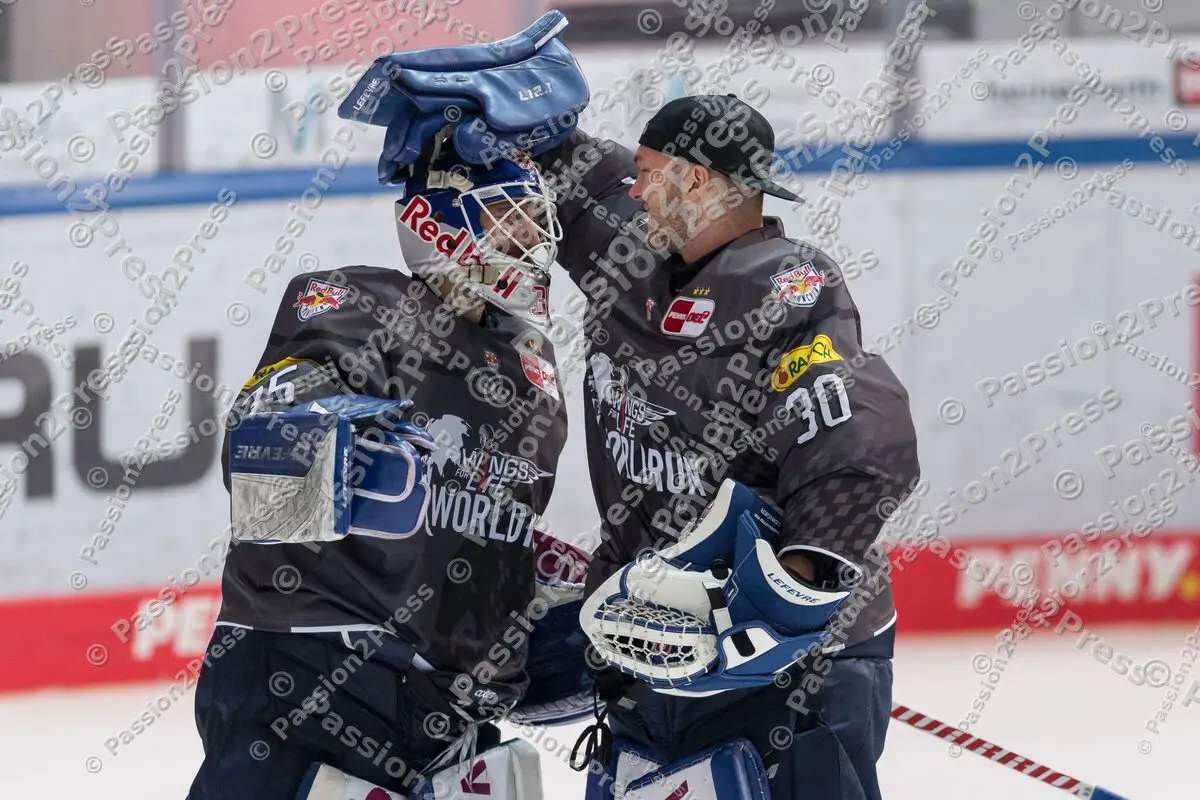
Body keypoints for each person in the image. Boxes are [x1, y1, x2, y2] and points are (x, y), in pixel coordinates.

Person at [530, 93, 922, 800]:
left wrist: (786, 597)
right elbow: (581, 183)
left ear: (698, 181)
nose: (637, 189)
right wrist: (509, 121)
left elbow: (855, 426)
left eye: (651, 173)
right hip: (655, 645)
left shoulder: (787, 283)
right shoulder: (631, 256)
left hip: (789, 663)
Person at [186, 128, 580, 800]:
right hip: (314, 677)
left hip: (446, 718)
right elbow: (266, 486)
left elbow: (470, 525)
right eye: (509, 218)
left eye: (536, 221)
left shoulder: (532, 371)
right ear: (439, 222)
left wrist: (542, 591)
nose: (531, 240)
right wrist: (337, 443)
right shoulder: (359, 307)